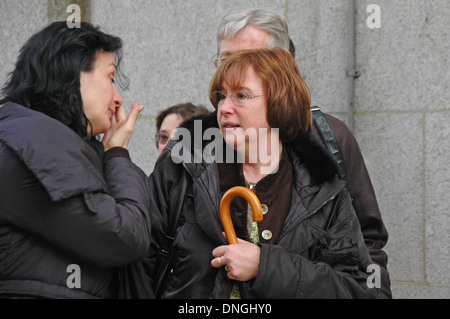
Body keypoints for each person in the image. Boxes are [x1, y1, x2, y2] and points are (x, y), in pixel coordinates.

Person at [147, 48, 378, 298]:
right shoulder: (183, 168)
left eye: (241, 96)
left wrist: (266, 267)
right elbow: (139, 267)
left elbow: (357, 290)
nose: (223, 108)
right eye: (222, 96)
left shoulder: (323, 190)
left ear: (279, 103)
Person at [211, 8, 391, 298]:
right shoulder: (193, 147)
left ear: (283, 69)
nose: (234, 70)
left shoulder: (330, 137)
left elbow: (366, 245)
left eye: (252, 59)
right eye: (225, 61)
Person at [0, 21, 151, 299]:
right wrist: (117, 153)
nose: (118, 99)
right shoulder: (35, 142)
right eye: (110, 77)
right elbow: (127, 236)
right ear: (72, 76)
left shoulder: (34, 136)